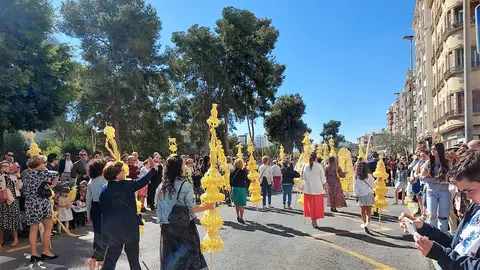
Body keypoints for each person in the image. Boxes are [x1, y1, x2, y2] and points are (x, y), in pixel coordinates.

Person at [399, 148, 480, 269]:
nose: (468, 198)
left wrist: (440, 254)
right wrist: (423, 228)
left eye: (470, 191)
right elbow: (457, 242)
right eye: (464, 192)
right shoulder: (475, 207)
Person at [99, 158, 158, 270]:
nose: (124, 172)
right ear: (116, 174)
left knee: (110, 259)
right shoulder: (125, 185)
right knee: (133, 258)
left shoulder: (103, 188)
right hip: (128, 228)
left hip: (112, 228)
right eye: (122, 170)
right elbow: (142, 181)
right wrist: (153, 168)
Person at [156, 155, 213, 270]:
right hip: (185, 226)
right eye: (183, 164)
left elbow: (159, 209)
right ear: (179, 168)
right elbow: (192, 208)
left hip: (167, 227)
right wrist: (208, 206)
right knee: (188, 257)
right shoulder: (185, 185)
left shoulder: (161, 187)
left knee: (171, 257)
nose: (185, 167)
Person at [22, 155, 59, 262]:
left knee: (33, 229)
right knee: (48, 227)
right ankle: (46, 251)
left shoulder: (27, 174)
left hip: (30, 203)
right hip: (42, 202)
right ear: (38, 164)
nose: (45, 164)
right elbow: (56, 174)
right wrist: (52, 185)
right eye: (43, 163)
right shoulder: (42, 173)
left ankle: (34, 253)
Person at [421, 142, 451, 232]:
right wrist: (434, 179)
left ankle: (443, 239)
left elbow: (452, 179)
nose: (432, 151)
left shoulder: (447, 163)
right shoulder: (428, 163)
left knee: (443, 217)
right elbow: (422, 178)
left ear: (440, 150)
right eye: (431, 149)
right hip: (431, 192)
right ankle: (432, 237)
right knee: (431, 216)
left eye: (435, 149)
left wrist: (437, 179)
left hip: (444, 192)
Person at [86, 159, 107, 270]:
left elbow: (88, 199)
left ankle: (100, 261)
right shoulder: (105, 180)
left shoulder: (91, 181)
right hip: (104, 208)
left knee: (98, 235)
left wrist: (88, 214)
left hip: (94, 208)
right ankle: (94, 259)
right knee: (106, 235)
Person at [0, 161, 22, 247]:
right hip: (3, 200)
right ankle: (1, 239)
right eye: (4, 166)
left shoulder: (13, 176)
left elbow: (19, 187)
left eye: (8, 166)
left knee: (14, 219)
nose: (7, 167)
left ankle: (15, 239)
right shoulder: (1, 177)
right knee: (1, 220)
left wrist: (19, 178)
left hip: (13, 200)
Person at [302, 153, 327, 228]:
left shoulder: (305, 166)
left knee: (311, 206)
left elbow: (304, 177)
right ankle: (314, 220)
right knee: (317, 206)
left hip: (308, 189)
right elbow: (322, 178)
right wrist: (325, 185)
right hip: (317, 189)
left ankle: (313, 220)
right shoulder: (319, 166)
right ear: (316, 158)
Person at [353, 162, 375, 229]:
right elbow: (372, 185)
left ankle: (364, 222)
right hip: (369, 193)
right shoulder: (369, 176)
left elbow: (355, 187)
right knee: (369, 209)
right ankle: (368, 223)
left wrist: (356, 195)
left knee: (363, 210)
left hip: (361, 194)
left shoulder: (356, 177)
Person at [230, 159, 248, 224]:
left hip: (234, 188)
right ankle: (241, 217)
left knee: (237, 203)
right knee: (241, 204)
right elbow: (246, 179)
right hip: (241, 188)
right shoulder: (243, 172)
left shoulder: (232, 171)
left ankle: (237, 215)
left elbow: (230, 182)